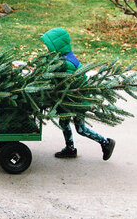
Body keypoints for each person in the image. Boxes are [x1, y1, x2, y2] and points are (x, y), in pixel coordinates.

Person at [41, 27, 115, 160]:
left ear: (56, 46)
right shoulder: (63, 57)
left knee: (81, 129)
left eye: (48, 46)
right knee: (64, 123)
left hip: (76, 101)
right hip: (70, 102)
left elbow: (64, 83)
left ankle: (106, 143)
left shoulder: (67, 63)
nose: (46, 49)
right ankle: (70, 149)